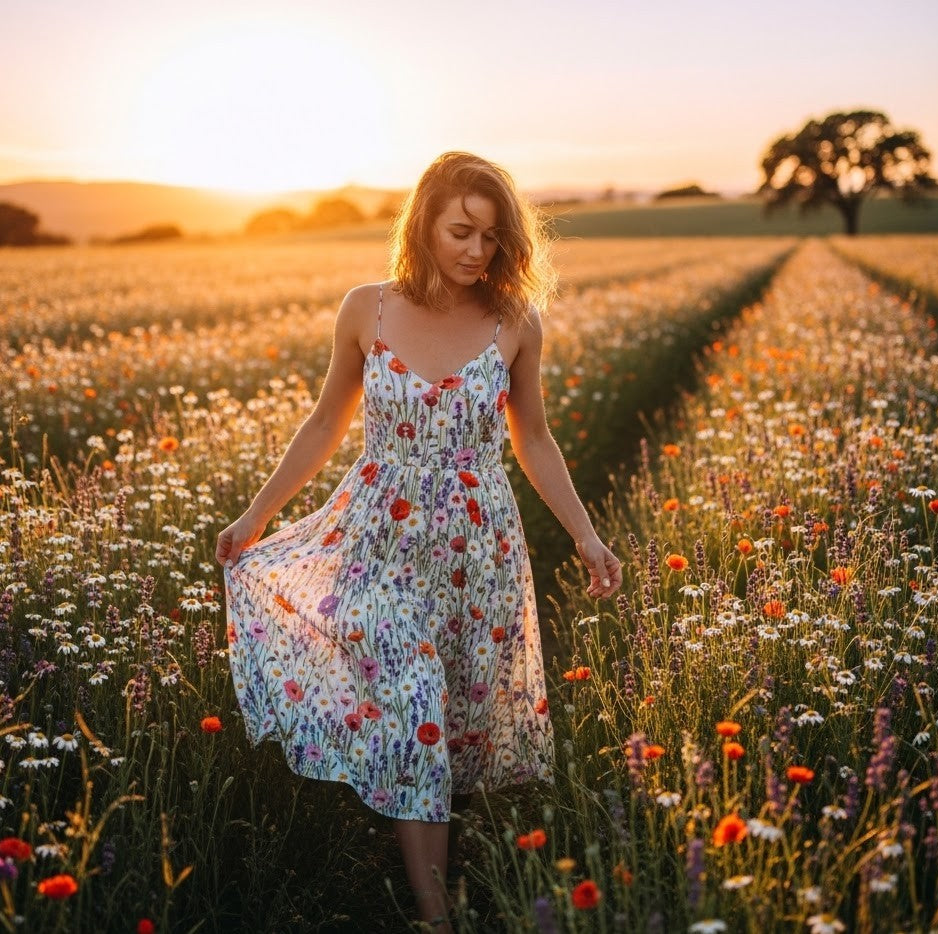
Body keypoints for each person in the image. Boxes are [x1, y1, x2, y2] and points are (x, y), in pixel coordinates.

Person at [215, 151, 622, 931]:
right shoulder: (365, 310)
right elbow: (324, 423)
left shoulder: (515, 322)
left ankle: (442, 856)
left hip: (479, 548)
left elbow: (533, 440)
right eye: (461, 231)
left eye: (493, 239)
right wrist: (257, 515)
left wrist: (585, 534)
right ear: (424, 225)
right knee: (411, 703)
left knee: (456, 714)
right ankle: (436, 915)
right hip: (379, 542)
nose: (477, 251)